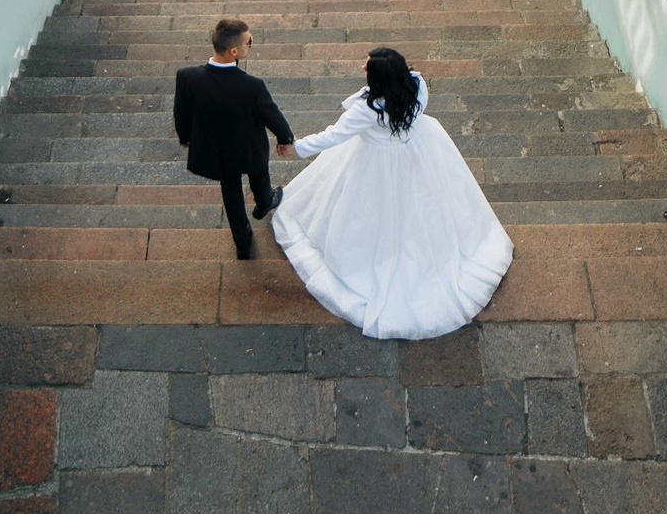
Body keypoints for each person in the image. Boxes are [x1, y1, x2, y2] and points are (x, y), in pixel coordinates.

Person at [271, 48, 512, 340]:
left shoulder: (366, 111)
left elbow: (333, 136)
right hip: (419, 152)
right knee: (426, 205)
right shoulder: (417, 86)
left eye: (367, 68)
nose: (363, 68)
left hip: (376, 163)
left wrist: (295, 148)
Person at [172, 19, 295, 259]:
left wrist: (186, 138)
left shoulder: (187, 77)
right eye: (249, 42)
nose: (251, 44)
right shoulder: (253, 86)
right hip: (249, 149)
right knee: (259, 173)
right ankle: (264, 201)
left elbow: (181, 112)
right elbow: (272, 116)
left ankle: (243, 242)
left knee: (230, 191)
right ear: (234, 51)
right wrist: (285, 138)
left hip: (217, 152)